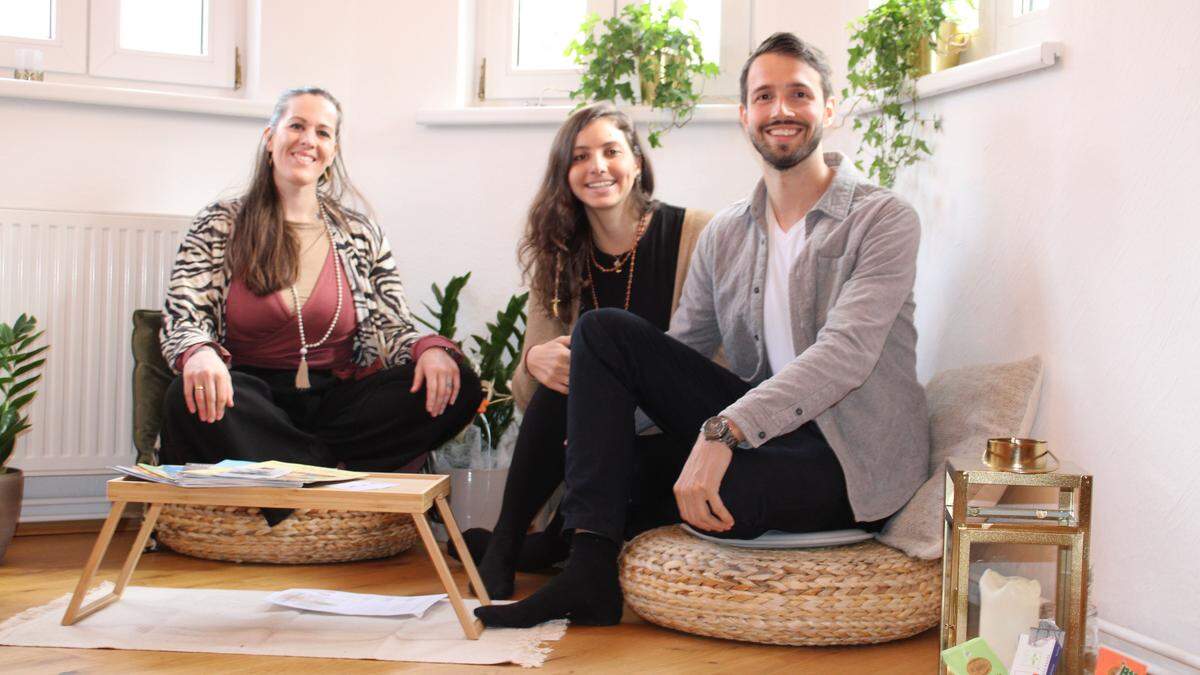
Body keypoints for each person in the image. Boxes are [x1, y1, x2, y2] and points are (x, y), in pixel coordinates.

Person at [475, 33, 930, 629]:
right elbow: (679, 355)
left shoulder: (882, 219)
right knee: (602, 335)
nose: (781, 110)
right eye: (764, 96)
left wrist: (725, 432)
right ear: (745, 116)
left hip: (847, 457)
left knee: (717, 497)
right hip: (763, 434)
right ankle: (587, 574)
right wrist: (597, 426)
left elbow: (846, 355)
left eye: (799, 94)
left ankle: (549, 547)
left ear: (830, 110)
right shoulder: (728, 234)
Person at [158, 87, 481, 524]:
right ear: (270, 137)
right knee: (186, 397)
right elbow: (185, 311)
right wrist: (198, 352)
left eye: (322, 132)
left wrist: (430, 348)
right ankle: (333, 479)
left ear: (333, 150)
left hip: (337, 402)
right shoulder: (220, 222)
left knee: (459, 380)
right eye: (296, 126)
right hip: (251, 399)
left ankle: (296, 475)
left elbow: (392, 321)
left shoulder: (359, 230)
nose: (308, 139)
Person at [460, 102, 712, 600]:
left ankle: (519, 545)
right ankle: (513, 545)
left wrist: (610, 423)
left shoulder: (696, 234)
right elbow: (531, 393)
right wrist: (533, 361)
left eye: (611, 151)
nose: (597, 166)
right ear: (565, 174)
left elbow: (714, 365)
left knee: (591, 372)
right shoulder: (560, 254)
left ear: (637, 162)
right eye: (580, 156)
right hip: (592, 455)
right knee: (566, 370)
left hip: (675, 441)